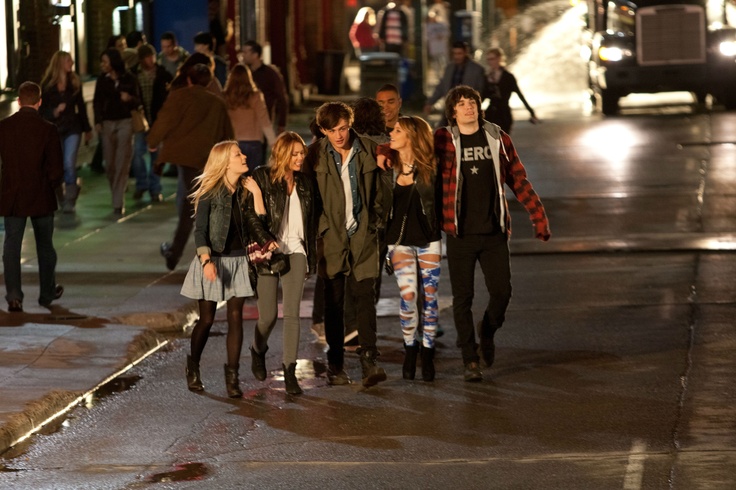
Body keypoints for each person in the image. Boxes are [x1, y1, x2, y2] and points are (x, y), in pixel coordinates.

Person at [435, 85, 551, 382]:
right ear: (452, 111)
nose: (468, 107)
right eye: (461, 104)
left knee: (502, 292)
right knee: (463, 298)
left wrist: (538, 216)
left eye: (471, 102)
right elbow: (412, 149)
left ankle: (487, 329)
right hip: (460, 234)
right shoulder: (443, 139)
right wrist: (385, 150)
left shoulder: (497, 136)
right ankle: (469, 359)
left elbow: (518, 178)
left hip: (493, 231)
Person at [180, 141, 274, 398]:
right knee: (207, 320)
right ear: (224, 162)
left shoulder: (246, 190)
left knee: (235, 318)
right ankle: (193, 366)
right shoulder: (210, 192)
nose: (244, 157)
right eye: (238, 154)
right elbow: (199, 232)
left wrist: (256, 194)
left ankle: (232, 377)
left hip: (239, 260)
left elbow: (260, 223)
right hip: (213, 259)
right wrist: (206, 261)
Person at [305, 101, 388, 388]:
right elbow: (308, 198)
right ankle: (336, 365)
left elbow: (382, 189)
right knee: (335, 302)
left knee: (366, 296)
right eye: (332, 130)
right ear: (323, 130)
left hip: (363, 233)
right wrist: (320, 230)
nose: (339, 136)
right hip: (332, 237)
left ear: (349, 124)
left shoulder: (367, 148)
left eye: (343, 128)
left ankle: (369, 362)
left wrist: (376, 221)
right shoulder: (314, 155)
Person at [248, 132, 317, 395]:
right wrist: (267, 241)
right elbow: (252, 219)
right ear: (282, 154)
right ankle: (258, 348)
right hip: (269, 251)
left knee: (292, 313)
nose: (300, 158)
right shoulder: (262, 177)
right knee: (267, 317)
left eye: (302, 153)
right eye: (295, 154)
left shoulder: (306, 184)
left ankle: (290, 371)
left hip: (297, 249)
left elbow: (312, 221)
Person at [148, 64, 234, 271]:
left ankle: (178, 252)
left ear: (188, 80)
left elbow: (164, 122)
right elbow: (227, 134)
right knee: (204, 204)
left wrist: (153, 142)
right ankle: (197, 251)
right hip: (209, 159)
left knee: (191, 207)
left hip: (187, 160)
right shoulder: (217, 103)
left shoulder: (179, 97)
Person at [378, 116, 441, 381]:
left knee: (430, 297)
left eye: (398, 131)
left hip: (429, 239)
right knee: (408, 296)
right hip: (399, 241)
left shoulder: (432, 166)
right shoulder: (388, 167)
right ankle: (410, 350)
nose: (392, 133)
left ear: (412, 136)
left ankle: (428, 352)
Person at [0, 82, 65, 312]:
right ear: (39, 102)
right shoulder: (48, 129)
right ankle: (47, 292)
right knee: (45, 246)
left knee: (11, 246)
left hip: (12, 195)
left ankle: (14, 296)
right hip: (41, 194)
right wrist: (52, 184)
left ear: (19, 101)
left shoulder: (4, 127)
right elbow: (57, 169)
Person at [39, 50, 93, 214]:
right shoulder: (47, 85)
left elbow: (81, 107)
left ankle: (70, 200)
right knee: (56, 166)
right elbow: (41, 110)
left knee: (69, 163)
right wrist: (54, 112)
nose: (72, 63)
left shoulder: (74, 83)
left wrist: (87, 128)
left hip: (72, 127)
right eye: (68, 61)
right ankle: (61, 197)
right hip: (54, 129)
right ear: (60, 63)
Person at [92, 48, 141, 217]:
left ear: (114, 62)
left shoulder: (129, 78)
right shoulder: (102, 80)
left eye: (105, 61)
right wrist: (97, 121)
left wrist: (129, 99)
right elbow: (97, 102)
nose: (103, 65)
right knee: (110, 164)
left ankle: (118, 202)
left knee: (122, 162)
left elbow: (138, 100)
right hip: (107, 123)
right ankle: (117, 191)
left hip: (125, 121)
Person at [130, 43, 172, 203]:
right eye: (148, 57)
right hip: (140, 121)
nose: (151, 59)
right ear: (141, 59)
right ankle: (142, 184)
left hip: (158, 120)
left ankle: (155, 188)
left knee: (157, 156)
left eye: (152, 56)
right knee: (137, 154)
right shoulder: (134, 74)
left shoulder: (162, 74)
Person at [223, 64, 276, 171]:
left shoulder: (225, 97)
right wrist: (273, 144)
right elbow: (264, 121)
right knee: (254, 179)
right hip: (254, 143)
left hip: (233, 142)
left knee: (236, 180)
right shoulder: (256, 96)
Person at [423, 41, 486, 126]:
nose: (457, 56)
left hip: (466, 111)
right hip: (450, 109)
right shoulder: (450, 68)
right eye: (454, 53)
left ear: (465, 53)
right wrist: (430, 103)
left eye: (459, 53)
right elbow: (441, 87)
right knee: (441, 134)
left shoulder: (477, 70)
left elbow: (480, 91)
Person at [483, 47, 538, 134]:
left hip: (504, 114)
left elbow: (520, 95)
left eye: (492, 59)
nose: (490, 62)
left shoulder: (508, 77)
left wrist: (531, 112)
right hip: (490, 114)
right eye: (488, 59)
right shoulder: (487, 77)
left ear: (499, 59)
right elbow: (482, 96)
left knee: (503, 142)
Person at [239, 40, 288, 135]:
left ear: (255, 55)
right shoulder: (242, 73)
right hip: (245, 120)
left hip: (264, 119)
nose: (242, 55)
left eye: (245, 52)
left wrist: (281, 124)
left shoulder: (270, 73)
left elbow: (281, 98)